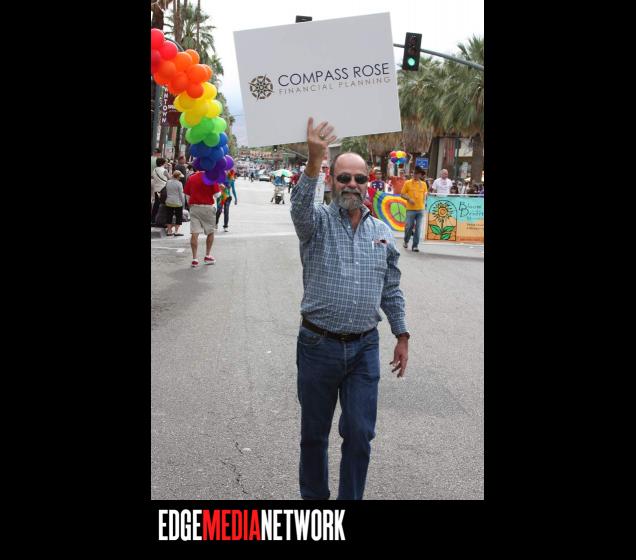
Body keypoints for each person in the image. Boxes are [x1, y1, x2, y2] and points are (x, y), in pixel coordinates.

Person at [290, 117, 409, 501]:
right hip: (318, 345)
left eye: (359, 178)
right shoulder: (317, 223)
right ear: (331, 181)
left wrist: (402, 334)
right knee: (314, 434)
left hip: (364, 348)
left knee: (360, 433)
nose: (352, 185)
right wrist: (314, 159)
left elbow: (391, 288)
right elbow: (299, 209)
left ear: (369, 182)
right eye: (344, 178)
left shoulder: (382, 232)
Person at [183, 171, 221, 268]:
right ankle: (207, 256)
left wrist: (190, 205)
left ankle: (194, 259)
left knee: (194, 233)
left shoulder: (191, 178)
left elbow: (187, 194)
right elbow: (217, 195)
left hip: (194, 207)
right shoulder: (211, 177)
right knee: (210, 232)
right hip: (207, 207)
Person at [400, 166, 428, 252]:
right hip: (410, 209)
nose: (415, 175)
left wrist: (427, 196)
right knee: (409, 227)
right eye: (414, 173)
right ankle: (406, 241)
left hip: (420, 209)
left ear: (420, 175)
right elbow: (402, 194)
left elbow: (426, 195)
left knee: (418, 228)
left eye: (417, 173)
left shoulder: (423, 184)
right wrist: (409, 199)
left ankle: (415, 245)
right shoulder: (407, 183)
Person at [164, 170, 186, 236]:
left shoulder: (168, 182)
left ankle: (169, 231)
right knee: (178, 217)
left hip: (169, 201)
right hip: (177, 203)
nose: (180, 178)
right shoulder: (179, 183)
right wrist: (183, 203)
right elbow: (181, 195)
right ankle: (176, 232)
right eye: (180, 177)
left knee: (169, 216)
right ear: (178, 176)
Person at [151, 158, 169, 225]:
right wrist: (170, 169)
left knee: (156, 204)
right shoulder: (165, 170)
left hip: (156, 189)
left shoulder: (154, 170)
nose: (166, 164)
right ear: (162, 163)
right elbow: (170, 178)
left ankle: (153, 219)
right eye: (165, 163)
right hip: (163, 189)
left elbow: (153, 177)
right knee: (164, 205)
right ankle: (162, 220)